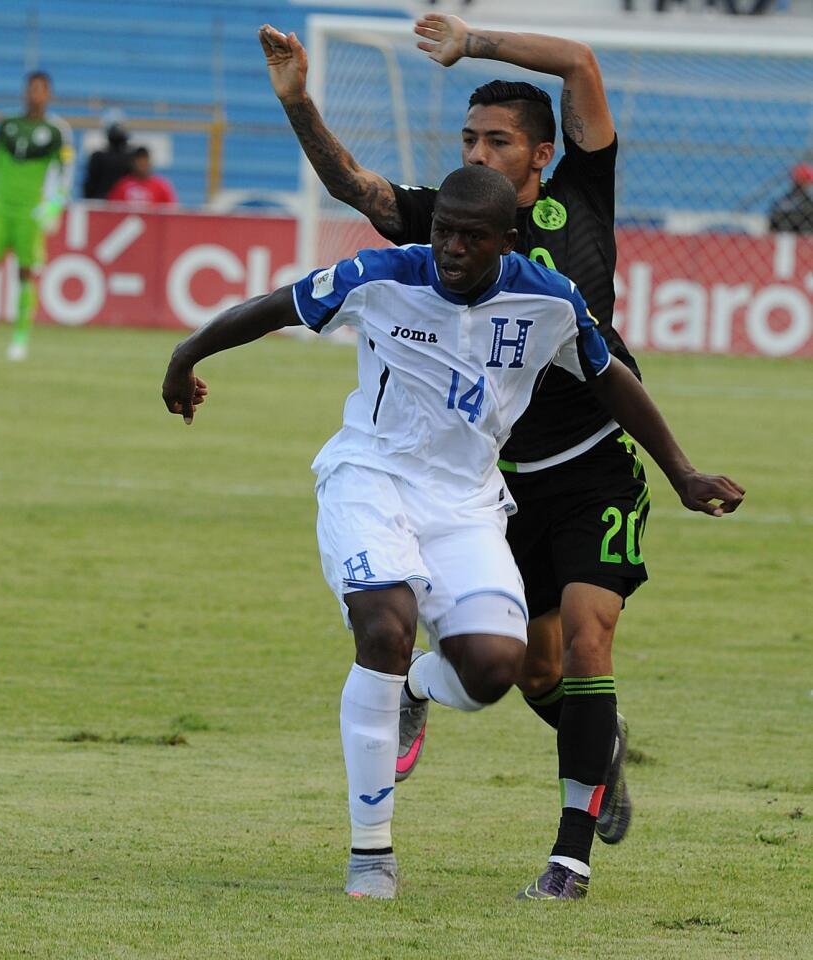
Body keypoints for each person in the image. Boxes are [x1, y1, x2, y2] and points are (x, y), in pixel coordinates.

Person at [161, 164, 743, 901]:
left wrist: (683, 472)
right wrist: (186, 356)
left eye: (472, 237)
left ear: (507, 241)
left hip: (468, 503)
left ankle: (415, 685)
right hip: (370, 477)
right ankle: (371, 856)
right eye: (444, 233)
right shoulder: (383, 275)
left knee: (497, 670)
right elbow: (276, 306)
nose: (452, 249)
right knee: (384, 621)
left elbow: (609, 375)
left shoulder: (549, 300)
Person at [259, 13, 708, 898]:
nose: (477, 150)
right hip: (495, 482)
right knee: (529, 669)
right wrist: (300, 106)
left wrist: (473, 41)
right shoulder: (448, 221)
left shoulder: (583, 192)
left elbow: (579, 62)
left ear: (539, 154)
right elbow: (356, 187)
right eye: (466, 137)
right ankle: (501, 709)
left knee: (588, 640)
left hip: (593, 464)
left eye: (495, 139)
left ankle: (567, 860)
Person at [0, 71, 73, 362]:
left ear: (49, 94)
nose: (35, 94)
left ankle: (20, 339)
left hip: (29, 210)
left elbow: (65, 175)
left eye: (41, 89)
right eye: (31, 88)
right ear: (25, 92)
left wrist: (53, 206)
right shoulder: (7, 124)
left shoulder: (57, 131)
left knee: (25, 273)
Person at [106, 147, 177, 205]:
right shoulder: (123, 185)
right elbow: (112, 208)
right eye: (139, 162)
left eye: (145, 161)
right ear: (133, 163)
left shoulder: (161, 186)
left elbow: (171, 210)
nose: (142, 165)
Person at [83, 119, 132, 200]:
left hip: (119, 202)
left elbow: (89, 185)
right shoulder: (98, 156)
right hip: (103, 201)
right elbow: (90, 184)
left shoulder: (97, 156)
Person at [768, 162, 813, 233]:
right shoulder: (809, 204)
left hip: (781, 238)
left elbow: (771, 228)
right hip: (803, 240)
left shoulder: (780, 202)